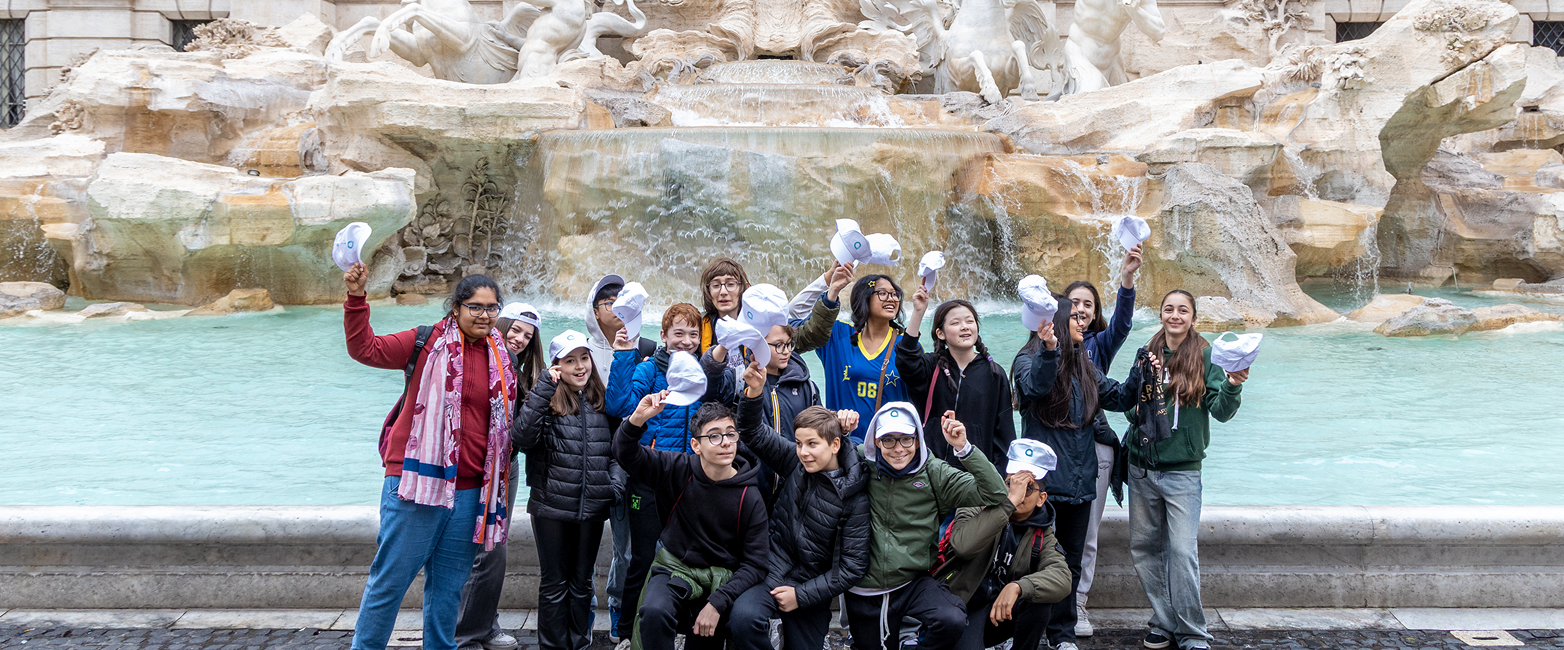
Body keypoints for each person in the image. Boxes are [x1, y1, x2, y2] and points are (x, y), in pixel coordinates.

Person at [342, 264, 516, 650]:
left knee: (449, 590)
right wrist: (356, 298)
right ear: (455, 308)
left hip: (472, 491)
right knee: (390, 581)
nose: (485, 315)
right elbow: (364, 349)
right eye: (476, 306)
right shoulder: (425, 341)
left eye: (492, 307)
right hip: (416, 483)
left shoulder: (502, 357)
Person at [1012, 294, 1146, 650]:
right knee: (1028, 562)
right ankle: (1018, 633)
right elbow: (1035, 386)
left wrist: (1140, 371)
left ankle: (1062, 634)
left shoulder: (1084, 365)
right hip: (1042, 483)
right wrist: (1049, 349)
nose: (1082, 322)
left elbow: (1117, 397)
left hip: (1080, 480)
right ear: (1053, 323)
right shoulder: (1027, 360)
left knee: (1069, 563)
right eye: (1073, 318)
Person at [1125, 290, 1246, 650]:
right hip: (1142, 466)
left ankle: (1193, 631)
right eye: (1169, 309)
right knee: (1145, 548)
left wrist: (1233, 384)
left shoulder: (1207, 357)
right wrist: (1151, 395)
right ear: (1160, 315)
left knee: (1181, 551)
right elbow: (1130, 409)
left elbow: (1221, 411)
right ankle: (1163, 621)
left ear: (1193, 318)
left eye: (1183, 310)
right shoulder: (1147, 354)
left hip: (1183, 471)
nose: (1175, 315)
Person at [728, 363, 869, 650]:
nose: (803, 452)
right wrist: (754, 393)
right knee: (742, 620)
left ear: (835, 445)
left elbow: (852, 567)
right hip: (770, 567)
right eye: (799, 443)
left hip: (810, 587)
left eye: (812, 444)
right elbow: (752, 431)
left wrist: (800, 596)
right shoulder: (795, 462)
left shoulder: (854, 496)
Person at [844, 402, 1007, 650]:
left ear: (918, 440)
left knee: (951, 619)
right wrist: (841, 430)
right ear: (876, 442)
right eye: (888, 440)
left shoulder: (934, 472)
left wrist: (963, 448)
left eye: (906, 439)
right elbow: (819, 454)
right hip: (865, 589)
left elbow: (996, 493)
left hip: (912, 582)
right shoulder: (861, 464)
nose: (898, 449)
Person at [614, 393, 769, 650]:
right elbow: (625, 453)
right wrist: (638, 418)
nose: (726, 443)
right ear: (696, 446)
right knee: (653, 612)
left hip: (723, 576)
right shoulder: (677, 468)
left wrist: (718, 602)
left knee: (707, 634)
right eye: (715, 436)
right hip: (675, 567)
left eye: (731, 434)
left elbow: (756, 563)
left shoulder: (749, 496)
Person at [606, 303, 714, 646]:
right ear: (664, 336)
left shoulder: (702, 373)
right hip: (650, 476)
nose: (685, 341)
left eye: (693, 334)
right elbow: (620, 407)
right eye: (677, 333)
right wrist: (624, 356)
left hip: (691, 478)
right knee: (642, 558)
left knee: (691, 556)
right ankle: (624, 631)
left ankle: (680, 627)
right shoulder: (648, 368)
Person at [510, 330, 622, 650]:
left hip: (593, 506)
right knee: (554, 584)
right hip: (551, 507)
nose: (580, 366)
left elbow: (618, 451)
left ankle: (579, 644)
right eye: (570, 361)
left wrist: (612, 487)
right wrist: (545, 386)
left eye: (584, 358)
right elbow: (522, 438)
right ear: (557, 366)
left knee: (582, 584)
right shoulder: (544, 399)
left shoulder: (602, 401)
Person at [456, 303, 544, 650]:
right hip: (476, 466)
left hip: (505, 466)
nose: (520, 339)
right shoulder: (478, 359)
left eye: (528, 335)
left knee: (492, 548)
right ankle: (465, 634)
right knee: (480, 550)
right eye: (516, 329)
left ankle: (481, 624)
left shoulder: (524, 373)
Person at [1072, 243, 1143, 638]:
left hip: (1095, 444)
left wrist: (1127, 280)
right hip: (1055, 447)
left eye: (1089, 305)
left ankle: (1079, 602)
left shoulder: (1098, 345)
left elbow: (1123, 325)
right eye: (1075, 303)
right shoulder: (1040, 347)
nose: (1081, 310)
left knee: (1089, 533)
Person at [582, 274, 655, 640]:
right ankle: (614, 607)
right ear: (594, 310)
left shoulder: (651, 349)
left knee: (636, 546)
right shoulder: (581, 352)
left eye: (623, 302)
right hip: (596, 460)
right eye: (608, 303)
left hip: (641, 460)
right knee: (616, 548)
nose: (616, 309)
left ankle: (635, 612)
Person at [940, 455, 1071, 650]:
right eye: (1011, 483)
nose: (1017, 491)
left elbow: (1062, 577)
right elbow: (963, 547)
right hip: (962, 607)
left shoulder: (1042, 532)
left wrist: (1018, 587)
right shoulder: (975, 504)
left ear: (1041, 499)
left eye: (1027, 487)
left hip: (1002, 611)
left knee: (1040, 600)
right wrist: (1007, 505)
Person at [898, 292, 1016, 467]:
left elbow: (1004, 432)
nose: (965, 327)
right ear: (941, 333)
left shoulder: (995, 373)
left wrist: (1001, 478)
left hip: (977, 474)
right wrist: (918, 312)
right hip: (932, 469)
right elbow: (905, 359)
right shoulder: (931, 366)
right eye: (955, 323)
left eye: (970, 321)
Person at [795, 263, 909, 442]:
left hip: (890, 451)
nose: (892, 299)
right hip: (843, 447)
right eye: (883, 293)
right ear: (864, 298)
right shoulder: (837, 335)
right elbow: (795, 314)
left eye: (895, 294)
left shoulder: (906, 346)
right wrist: (831, 288)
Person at [701, 324, 820, 442]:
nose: (786, 351)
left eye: (789, 344)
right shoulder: (739, 379)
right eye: (779, 345)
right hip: (750, 460)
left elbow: (818, 430)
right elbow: (708, 386)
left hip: (793, 459)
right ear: (755, 346)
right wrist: (724, 346)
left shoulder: (806, 386)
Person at [697, 257, 750, 353]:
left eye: (730, 284)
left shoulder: (759, 325)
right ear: (706, 291)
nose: (723, 292)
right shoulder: (696, 331)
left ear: (745, 287)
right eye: (716, 285)